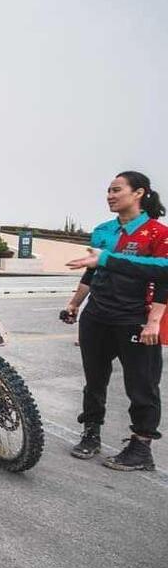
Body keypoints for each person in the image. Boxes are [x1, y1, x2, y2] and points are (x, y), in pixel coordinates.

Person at [62, 171, 168, 471]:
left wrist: (154, 321)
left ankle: (141, 447)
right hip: (97, 316)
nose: (110, 195)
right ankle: (91, 432)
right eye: (108, 190)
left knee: (142, 385)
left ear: (139, 193)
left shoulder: (157, 233)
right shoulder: (103, 231)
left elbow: (164, 275)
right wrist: (74, 304)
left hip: (136, 319)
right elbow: (92, 272)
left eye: (117, 190)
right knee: (94, 380)